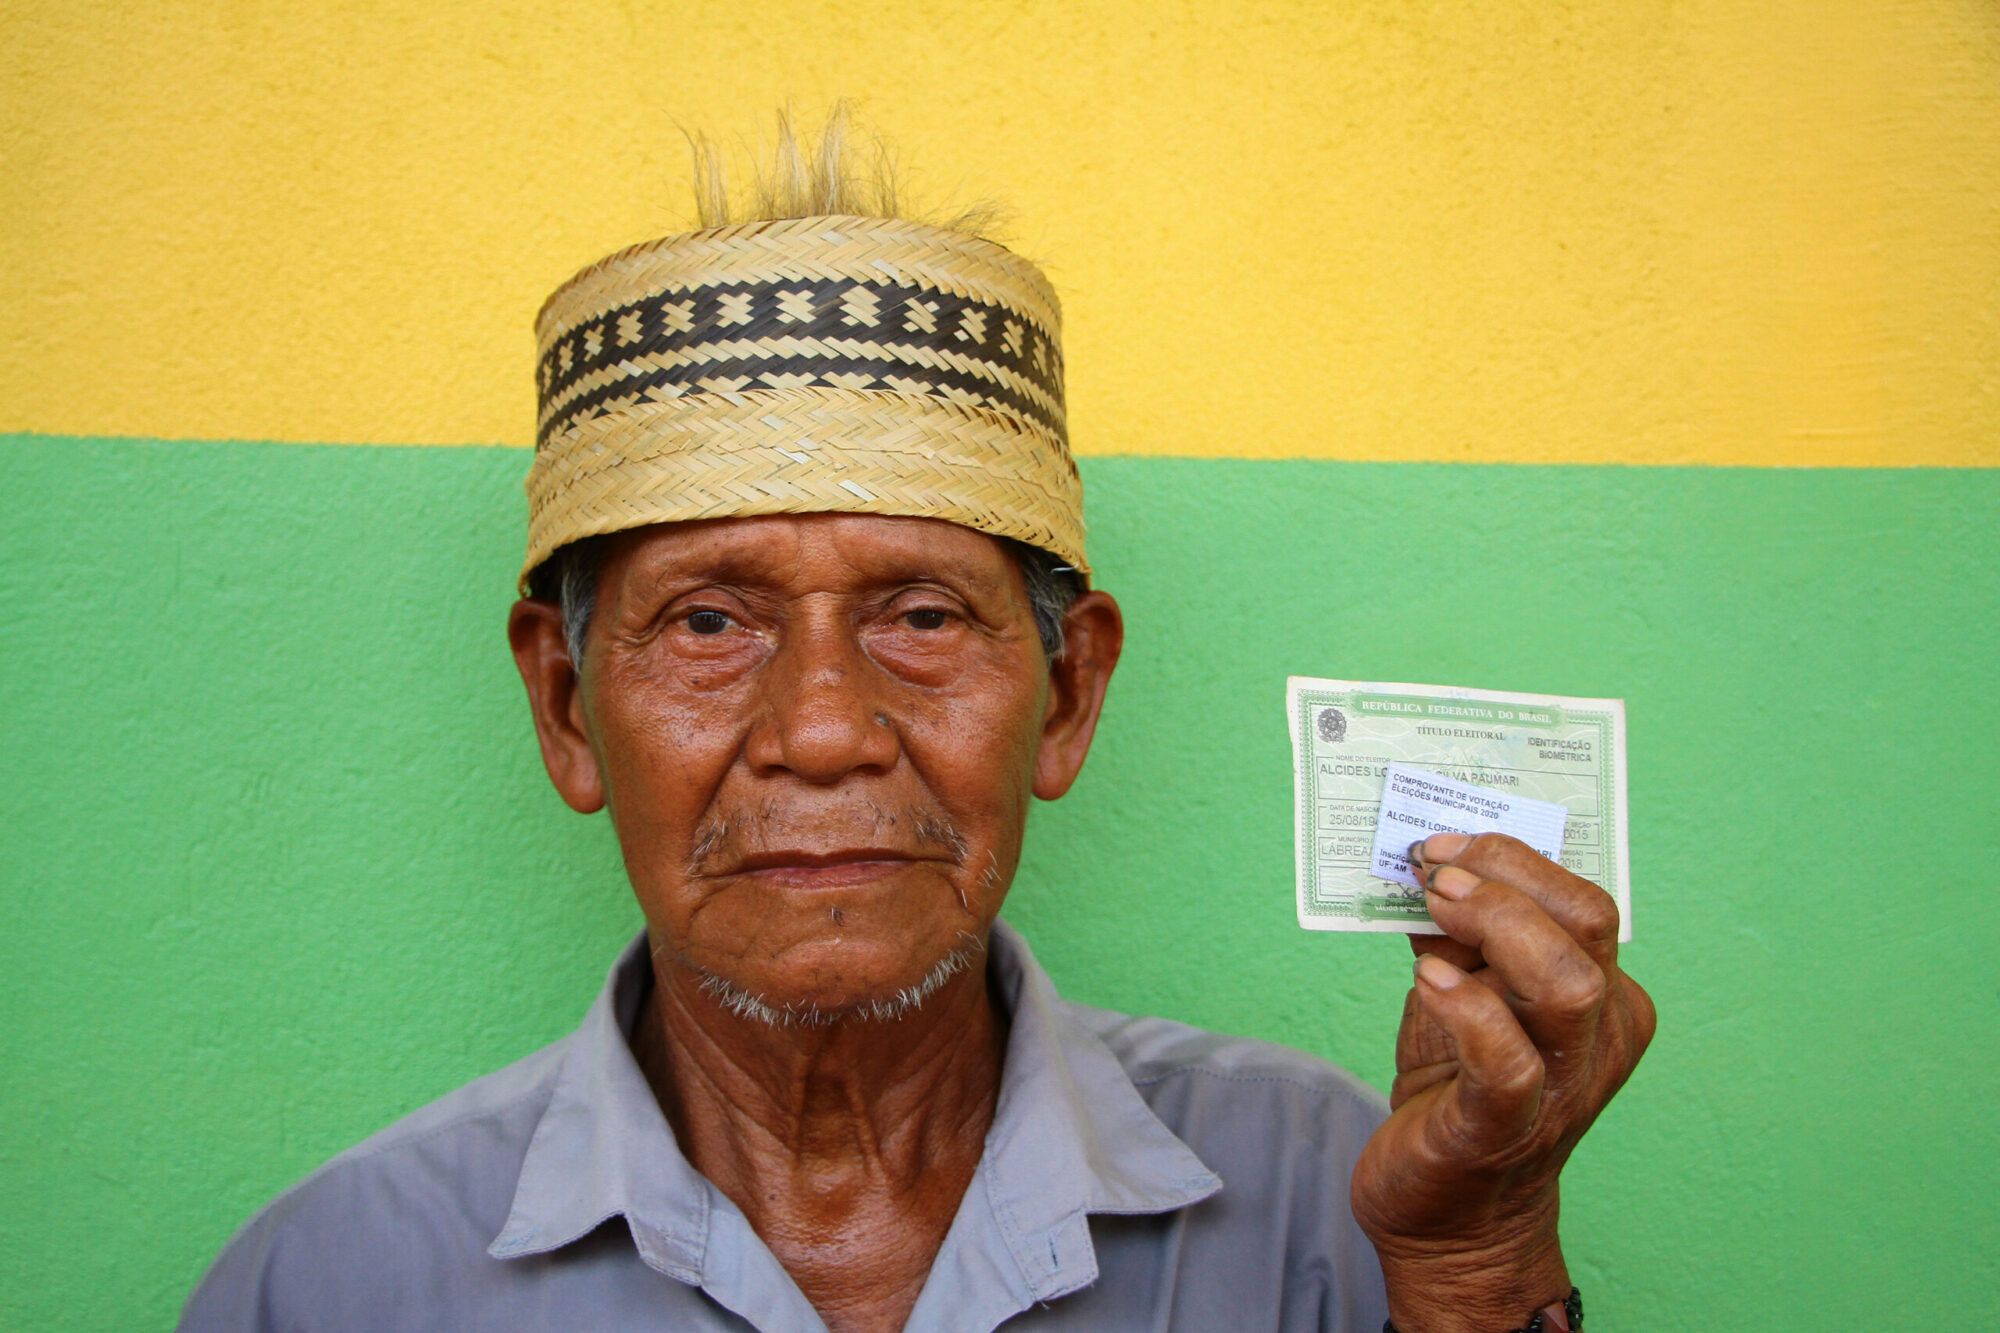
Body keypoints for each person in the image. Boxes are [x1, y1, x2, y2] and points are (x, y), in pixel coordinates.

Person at [180, 119, 1653, 1333]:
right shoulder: (331, 1285)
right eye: (707, 621)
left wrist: (1475, 1269)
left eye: (924, 615)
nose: (822, 730)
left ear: (1067, 693)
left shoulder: (1345, 1201)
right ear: (567, 709)